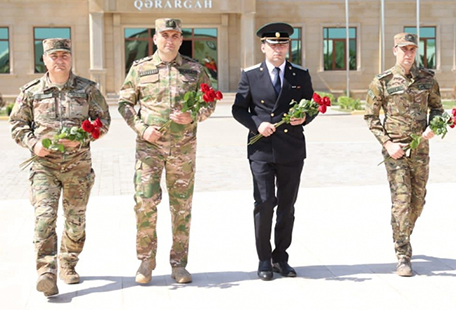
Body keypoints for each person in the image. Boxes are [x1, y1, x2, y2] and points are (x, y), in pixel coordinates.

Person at [10, 38, 111, 297]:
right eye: (53, 56)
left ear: (71, 58)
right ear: (44, 60)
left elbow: (103, 121)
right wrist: (33, 144)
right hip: (44, 167)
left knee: (76, 221)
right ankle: (46, 272)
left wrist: (82, 137)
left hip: (78, 167)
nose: (59, 60)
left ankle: (68, 262)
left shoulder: (88, 89)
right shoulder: (31, 91)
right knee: (44, 218)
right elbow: (18, 124)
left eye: (64, 55)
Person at [118, 18, 215, 285]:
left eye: (175, 36)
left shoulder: (195, 69)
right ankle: (146, 261)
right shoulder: (140, 69)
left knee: (181, 206)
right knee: (145, 202)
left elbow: (210, 101)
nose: (169, 40)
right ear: (155, 39)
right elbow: (125, 104)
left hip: (183, 149)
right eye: (164, 35)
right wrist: (142, 129)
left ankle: (179, 264)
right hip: (149, 149)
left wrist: (194, 115)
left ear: (181, 40)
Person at [232, 22, 315, 281]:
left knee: (287, 206)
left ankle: (281, 258)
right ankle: (264, 259)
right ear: (263, 47)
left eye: (283, 45)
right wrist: (257, 124)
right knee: (265, 203)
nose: (278, 49)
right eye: (273, 45)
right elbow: (238, 109)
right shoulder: (250, 75)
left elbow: (311, 105)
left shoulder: (299, 74)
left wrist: (305, 118)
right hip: (262, 150)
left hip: (291, 149)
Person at [364, 32, 444, 277]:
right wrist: (388, 144)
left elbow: (437, 109)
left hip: (420, 150)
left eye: (412, 49)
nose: (408, 54)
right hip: (396, 152)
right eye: (403, 49)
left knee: (417, 202)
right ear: (394, 51)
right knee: (401, 201)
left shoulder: (427, 79)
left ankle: (403, 233)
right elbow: (370, 117)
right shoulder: (383, 81)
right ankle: (403, 255)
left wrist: (434, 126)